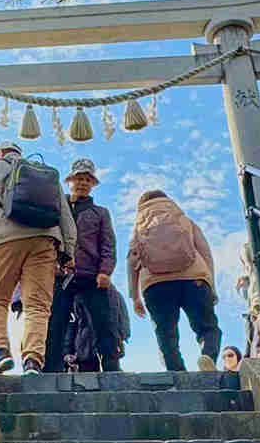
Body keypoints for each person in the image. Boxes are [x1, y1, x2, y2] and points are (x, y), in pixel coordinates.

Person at [0, 143, 75, 374]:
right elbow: (65, 214)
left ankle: (0, 352)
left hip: (3, 239)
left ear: (0, 153)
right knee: (38, 305)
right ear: (20, 154)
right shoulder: (45, 172)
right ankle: (33, 361)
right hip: (44, 239)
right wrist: (68, 252)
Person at [129, 187, 222, 371]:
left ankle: (178, 374)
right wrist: (210, 284)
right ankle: (208, 356)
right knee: (207, 327)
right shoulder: (184, 220)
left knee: (166, 335)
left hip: (155, 285)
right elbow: (205, 252)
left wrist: (135, 296)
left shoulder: (140, 226)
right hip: (193, 278)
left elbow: (132, 260)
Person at [43, 158, 120, 374]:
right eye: (79, 179)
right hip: (60, 274)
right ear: (70, 181)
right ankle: (51, 368)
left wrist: (105, 271)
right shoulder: (57, 209)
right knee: (55, 321)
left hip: (91, 275)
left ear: (93, 184)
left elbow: (108, 245)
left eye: (87, 179)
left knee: (103, 323)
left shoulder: (100, 212)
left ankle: (112, 366)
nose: (83, 183)